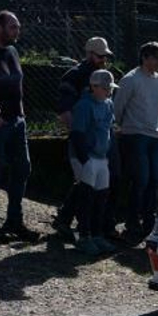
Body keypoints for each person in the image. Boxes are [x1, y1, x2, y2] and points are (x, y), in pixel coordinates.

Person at [0, 11, 39, 242]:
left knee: (22, 168)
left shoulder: (12, 51)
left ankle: (15, 220)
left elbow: (17, 84)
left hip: (17, 121)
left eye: (17, 27)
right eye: (12, 27)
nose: (17, 31)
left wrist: (21, 114)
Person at [50, 36, 114, 242]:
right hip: (83, 141)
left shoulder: (104, 76)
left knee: (89, 185)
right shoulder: (75, 76)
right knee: (86, 186)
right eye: (100, 55)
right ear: (89, 54)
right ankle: (84, 230)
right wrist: (79, 137)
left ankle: (69, 220)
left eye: (105, 56)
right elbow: (64, 109)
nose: (104, 59)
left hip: (99, 143)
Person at [110, 41, 158, 241]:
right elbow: (118, 106)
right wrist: (119, 128)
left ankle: (148, 220)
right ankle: (132, 221)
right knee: (141, 179)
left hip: (154, 135)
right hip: (135, 134)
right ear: (145, 57)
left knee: (155, 180)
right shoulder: (130, 79)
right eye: (155, 58)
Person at [68, 69, 117, 255]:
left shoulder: (108, 104)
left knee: (101, 197)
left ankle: (97, 234)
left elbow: (108, 131)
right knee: (86, 197)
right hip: (86, 156)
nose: (108, 91)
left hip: (101, 157)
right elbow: (77, 134)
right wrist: (84, 159)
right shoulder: (84, 106)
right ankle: (83, 235)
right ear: (94, 87)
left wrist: (108, 155)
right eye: (105, 87)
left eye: (109, 87)